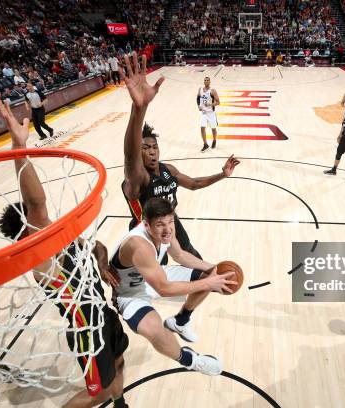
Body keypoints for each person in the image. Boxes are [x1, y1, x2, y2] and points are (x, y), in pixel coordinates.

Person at [0, 96, 129, 408]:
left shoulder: (59, 238)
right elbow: (36, 204)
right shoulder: (40, 260)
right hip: (86, 329)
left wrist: (103, 263)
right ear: (28, 231)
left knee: (120, 360)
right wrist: (19, 148)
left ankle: (120, 404)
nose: (46, 221)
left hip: (103, 313)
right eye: (37, 224)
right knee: (98, 394)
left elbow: (95, 246)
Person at [119, 53, 239, 263]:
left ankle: (206, 277)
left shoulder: (169, 170)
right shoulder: (138, 178)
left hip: (169, 222)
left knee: (191, 254)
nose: (152, 151)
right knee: (159, 275)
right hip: (145, 232)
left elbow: (194, 183)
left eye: (154, 147)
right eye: (145, 148)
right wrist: (139, 108)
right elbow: (129, 157)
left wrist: (223, 174)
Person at [109, 197, 236, 376]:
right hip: (130, 293)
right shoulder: (139, 245)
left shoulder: (167, 230)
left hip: (155, 274)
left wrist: (213, 269)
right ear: (146, 225)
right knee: (155, 330)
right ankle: (191, 360)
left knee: (207, 276)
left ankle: (180, 321)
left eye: (170, 221)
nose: (168, 229)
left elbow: (180, 255)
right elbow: (164, 289)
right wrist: (209, 282)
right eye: (160, 224)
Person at [197, 76, 220, 151]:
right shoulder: (200, 89)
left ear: (210, 82)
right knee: (202, 128)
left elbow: (218, 102)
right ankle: (205, 144)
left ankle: (214, 140)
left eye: (207, 80)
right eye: (205, 80)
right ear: (204, 81)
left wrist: (210, 104)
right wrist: (198, 106)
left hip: (211, 113)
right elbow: (197, 98)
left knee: (213, 128)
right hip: (203, 112)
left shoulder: (212, 91)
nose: (206, 81)